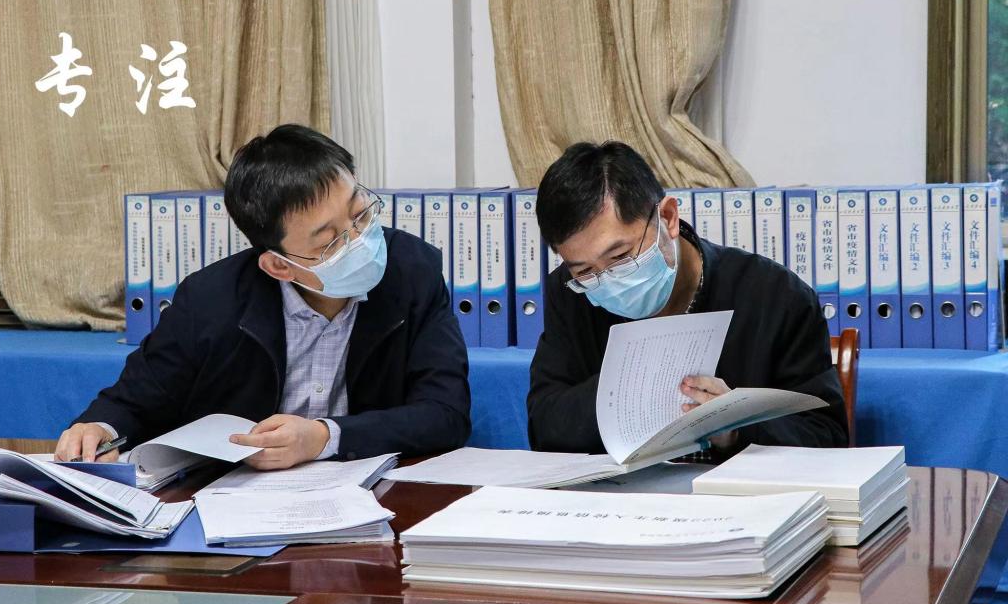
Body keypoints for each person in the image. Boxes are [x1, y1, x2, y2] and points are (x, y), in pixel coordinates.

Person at [55, 124, 470, 469]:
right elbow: (133, 401)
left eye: (359, 212)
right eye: (329, 242)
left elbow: (445, 413)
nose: (359, 240)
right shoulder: (209, 300)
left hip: (370, 494)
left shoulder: (413, 272)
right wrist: (98, 429)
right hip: (234, 500)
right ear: (279, 266)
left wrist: (324, 437)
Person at [528, 141, 847, 460]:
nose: (608, 281)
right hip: (623, 490)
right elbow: (545, 425)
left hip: (732, 489)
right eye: (585, 271)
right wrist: (619, 391)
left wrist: (736, 428)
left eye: (621, 257)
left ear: (668, 218)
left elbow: (826, 436)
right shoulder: (571, 294)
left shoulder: (775, 296)